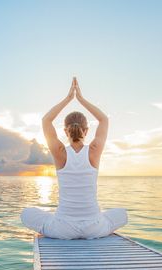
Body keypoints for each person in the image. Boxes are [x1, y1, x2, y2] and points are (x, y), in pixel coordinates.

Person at [20, 77, 128, 239]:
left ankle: (60, 222)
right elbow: (104, 119)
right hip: (94, 227)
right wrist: (81, 99)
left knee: (26, 213)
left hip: (63, 229)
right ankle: (97, 224)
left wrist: (69, 98)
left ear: (65, 131)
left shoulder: (60, 152)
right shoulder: (94, 150)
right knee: (122, 214)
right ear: (86, 131)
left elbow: (46, 120)